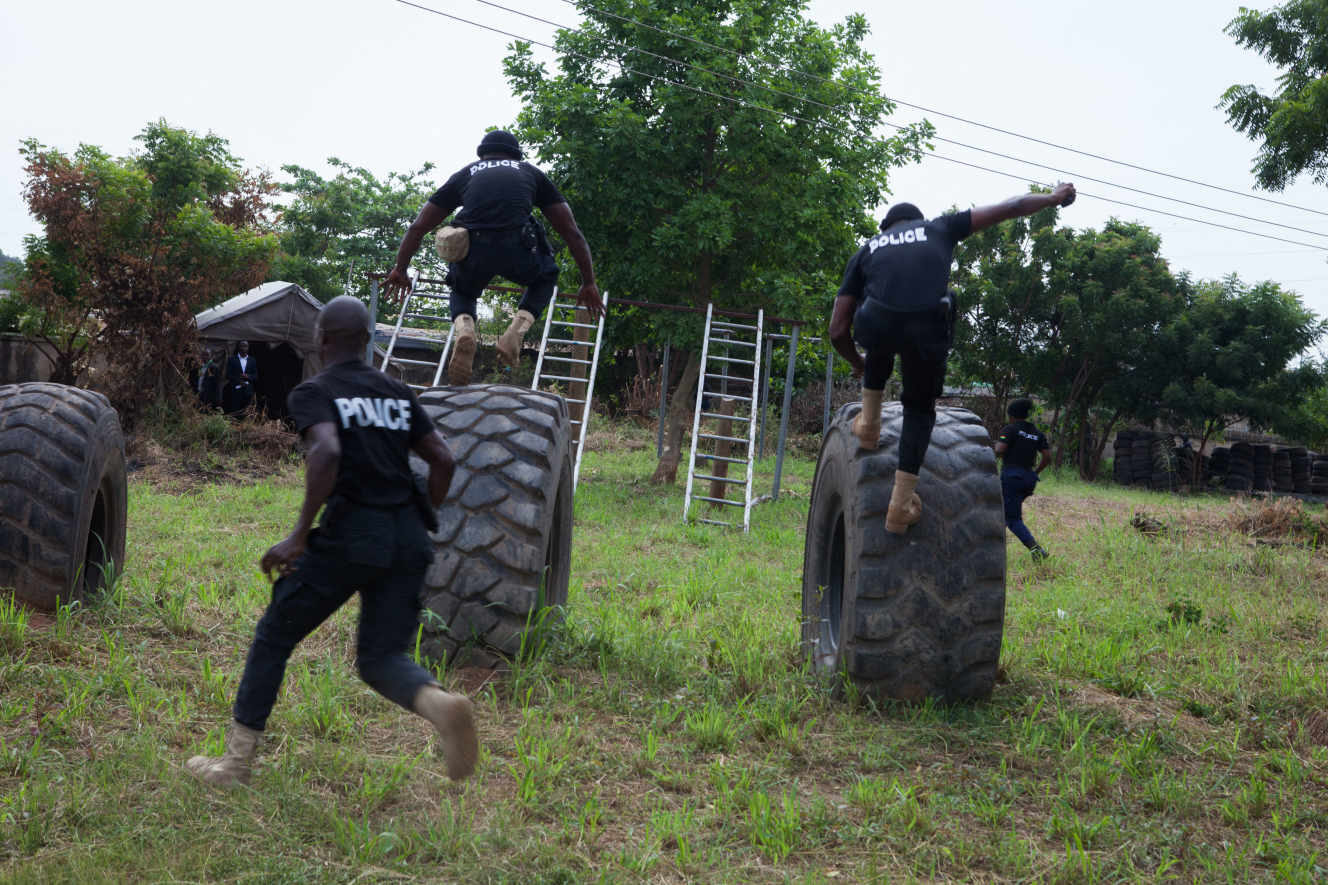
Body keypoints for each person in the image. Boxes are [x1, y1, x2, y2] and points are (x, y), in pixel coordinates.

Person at [185, 296, 478, 788]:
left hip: (351, 536)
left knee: (275, 636)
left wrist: (299, 534)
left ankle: (234, 766)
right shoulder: (397, 392)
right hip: (408, 538)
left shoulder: (315, 392)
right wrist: (420, 516)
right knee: (382, 657)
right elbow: (444, 460)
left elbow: (326, 451)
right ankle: (440, 704)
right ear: (367, 341)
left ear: (320, 340)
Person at [828, 182, 1076, 534]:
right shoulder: (940, 227)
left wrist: (857, 361)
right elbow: (1012, 205)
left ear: (886, 228)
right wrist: (1052, 198)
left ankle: (868, 423)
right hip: (929, 328)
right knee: (918, 408)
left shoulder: (867, 249)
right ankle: (900, 505)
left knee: (881, 326)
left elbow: (838, 330)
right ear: (919, 221)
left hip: (876, 327)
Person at [385, 129, 604, 385]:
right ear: (516, 154)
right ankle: (516, 331)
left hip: (473, 247)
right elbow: (570, 231)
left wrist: (400, 269)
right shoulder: (530, 172)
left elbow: (418, 227)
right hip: (519, 247)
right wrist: (588, 282)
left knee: (461, 288)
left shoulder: (466, 173)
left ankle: (465, 328)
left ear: (482, 154)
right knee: (546, 277)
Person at [995, 397, 1051, 561]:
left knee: (1012, 518)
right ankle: (990, 545)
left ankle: (1036, 550)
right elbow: (1047, 457)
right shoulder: (1036, 433)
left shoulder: (1010, 429)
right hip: (1028, 479)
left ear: (1011, 415)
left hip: (1012, 477)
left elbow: (999, 450)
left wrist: (990, 447)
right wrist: (1035, 472)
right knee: (1005, 512)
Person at [224, 340, 258, 414]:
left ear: (248, 348)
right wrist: (238, 381)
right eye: (242, 346)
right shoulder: (232, 359)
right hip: (235, 390)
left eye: (246, 346)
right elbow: (228, 375)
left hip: (248, 390)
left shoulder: (252, 360)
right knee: (235, 410)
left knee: (246, 410)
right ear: (238, 347)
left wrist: (248, 376)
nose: (244, 348)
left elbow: (255, 376)